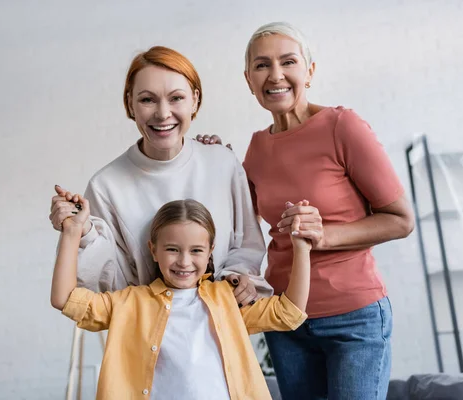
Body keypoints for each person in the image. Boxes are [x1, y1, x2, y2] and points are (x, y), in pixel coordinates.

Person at [240, 22, 415, 400]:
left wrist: (324, 235)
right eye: (261, 65)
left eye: (288, 62)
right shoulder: (255, 148)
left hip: (353, 318)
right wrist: (206, 153)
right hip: (286, 320)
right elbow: (237, 227)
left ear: (310, 71)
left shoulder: (342, 126)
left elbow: (401, 219)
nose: (275, 75)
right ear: (249, 79)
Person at [50, 46, 273, 306]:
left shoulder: (222, 163)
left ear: (195, 100)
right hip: (147, 336)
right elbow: (106, 285)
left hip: (221, 329)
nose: (163, 113)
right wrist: (83, 232)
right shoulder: (106, 186)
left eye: (176, 98)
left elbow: (247, 243)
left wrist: (237, 278)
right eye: (147, 99)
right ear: (130, 103)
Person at [51, 198, 311, 399]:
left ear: (210, 250)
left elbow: (288, 313)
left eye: (196, 250)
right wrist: (72, 233)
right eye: (172, 249)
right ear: (153, 250)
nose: (184, 261)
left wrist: (301, 248)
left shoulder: (226, 299)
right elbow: (64, 299)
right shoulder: (128, 303)